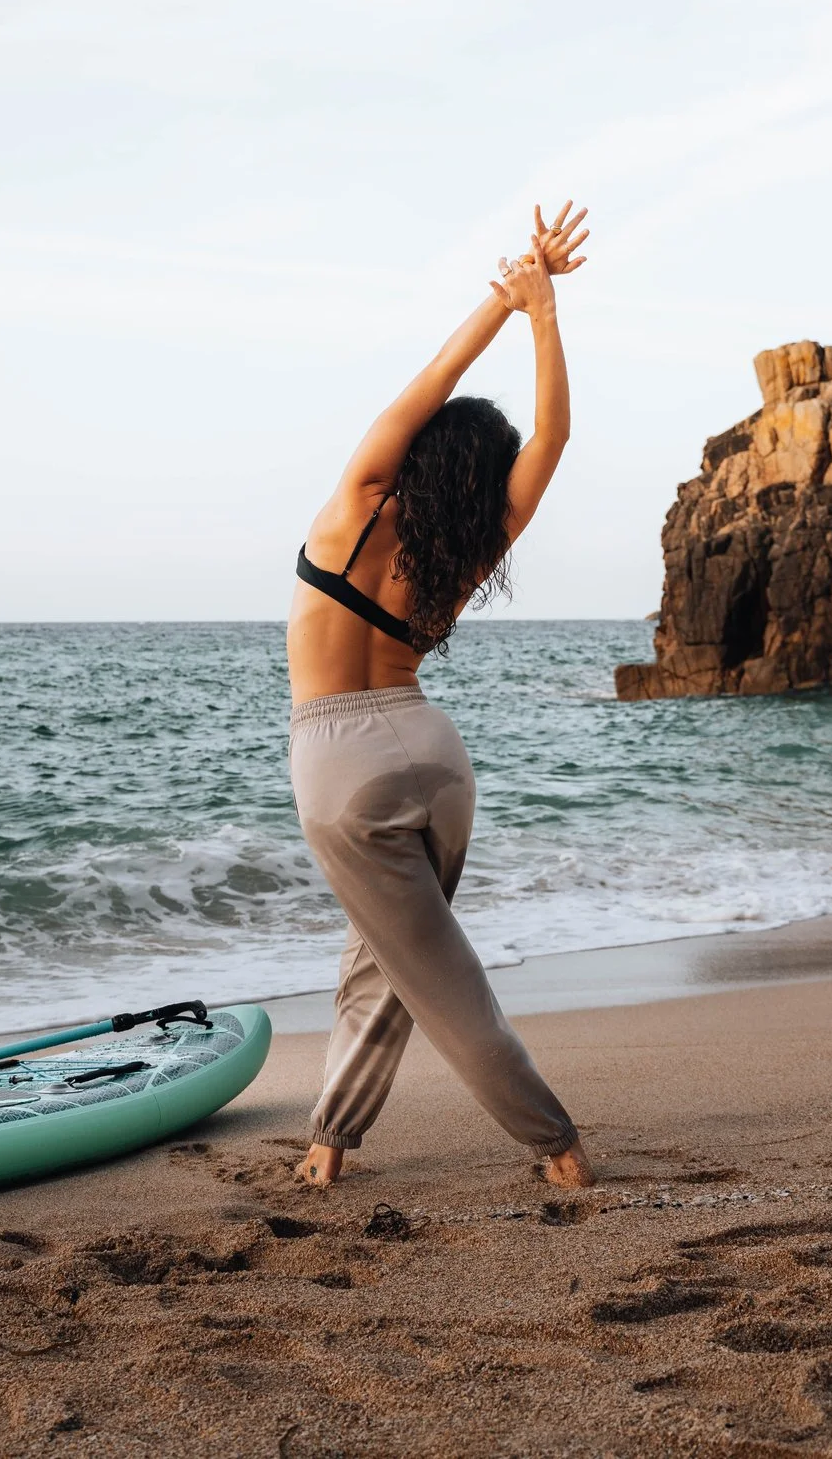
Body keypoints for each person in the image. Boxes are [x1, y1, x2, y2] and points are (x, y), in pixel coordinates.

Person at [284, 202, 594, 1190]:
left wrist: (505, 301)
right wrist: (545, 315)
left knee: (435, 978)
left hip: (337, 764)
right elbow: (552, 435)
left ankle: (558, 1147)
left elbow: (434, 383)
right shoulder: (471, 549)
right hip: (433, 755)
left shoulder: (363, 492)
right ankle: (331, 1143)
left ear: (424, 454)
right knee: (384, 957)